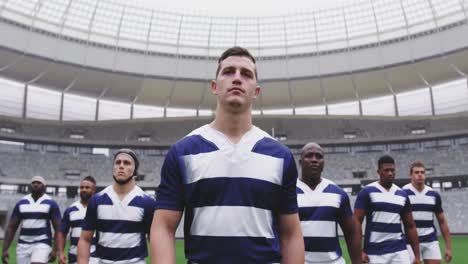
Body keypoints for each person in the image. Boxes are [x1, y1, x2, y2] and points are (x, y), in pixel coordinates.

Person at [151, 46, 304, 264]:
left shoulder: (281, 156)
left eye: (246, 74)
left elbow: (290, 233)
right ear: (215, 86)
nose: (237, 78)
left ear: (256, 91)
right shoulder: (182, 151)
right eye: (229, 71)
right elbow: (163, 227)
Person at [77, 149, 156, 264]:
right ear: (113, 168)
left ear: (135, 170)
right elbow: (85, 239)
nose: (121, 166)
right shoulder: (97, 200)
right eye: (117, 162)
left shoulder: (147, 202)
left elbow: (154, 242)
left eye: (127, 163)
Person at [297, 142, 361, 264]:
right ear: (300, 162)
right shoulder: (288, 194)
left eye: (319, 156)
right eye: (309, 155)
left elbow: (351, 233)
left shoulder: (338, 193)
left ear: (323, 163)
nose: (314, 160)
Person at [354, 155, 421, 264]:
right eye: (386, 170)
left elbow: (410, 226)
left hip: (399, 251)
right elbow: (356, 222)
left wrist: (417, 256)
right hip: (374, 252)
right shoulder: (366, 192)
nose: (390, 173)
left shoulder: (402, 195)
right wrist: (359, 252)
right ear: (379, 171)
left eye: (392, 170)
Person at [2, 175, 61, 264]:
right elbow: (11, 227)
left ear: (44, 186)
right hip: (23, 244)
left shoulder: (51, 203)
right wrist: (5, 249)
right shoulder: (21, 203)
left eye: (39, 183)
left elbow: (58, 228)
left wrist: (55, 249)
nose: (36, 185)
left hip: (42, 242)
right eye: (33, 183)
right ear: (30, 185)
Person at [402, 161, 452, 264]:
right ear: (411, 174)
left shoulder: (433, 194)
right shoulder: (403, 193)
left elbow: (442, 221)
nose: (420, 175)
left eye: (422, 172)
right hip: (410, 242)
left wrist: (448, 248)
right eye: (416, 172)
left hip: (430, 240)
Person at [57, 175, 99, 264]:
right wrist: (60, 253)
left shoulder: (100, 208)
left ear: (93, 190)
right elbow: (62, 232)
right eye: (82, 187)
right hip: (73, 256)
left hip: (95, 256)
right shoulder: (71, 209)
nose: (84, 189)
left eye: (87, 187)